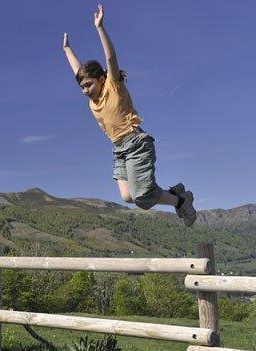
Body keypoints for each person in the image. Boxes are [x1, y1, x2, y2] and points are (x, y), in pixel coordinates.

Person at [62, 4, 196, 226]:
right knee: (127, 196)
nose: (85, 90)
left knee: (142, 198)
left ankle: (181, 201)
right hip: (118, 148)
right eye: (82, 87)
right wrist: (67, 50)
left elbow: (111, 58)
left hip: (136, 143)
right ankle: (177, 194)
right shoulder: (92, 99)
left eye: (89, 85)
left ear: (101, 79)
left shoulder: (114, 86)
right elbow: (78, 72)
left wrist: (100, 28)